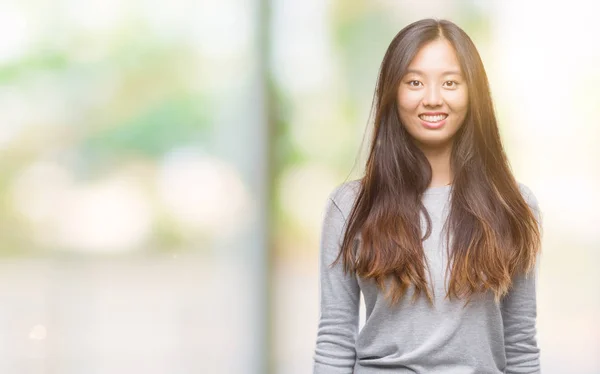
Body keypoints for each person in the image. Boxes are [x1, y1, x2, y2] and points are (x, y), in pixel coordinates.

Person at [312, 18, 543, 374]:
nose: (433, 99)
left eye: (450, 83)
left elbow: (520, 345)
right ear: (393, 92)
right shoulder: (350, 206)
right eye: (415, 82)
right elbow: (335, 340)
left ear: (473, 94)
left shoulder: (513, 205)